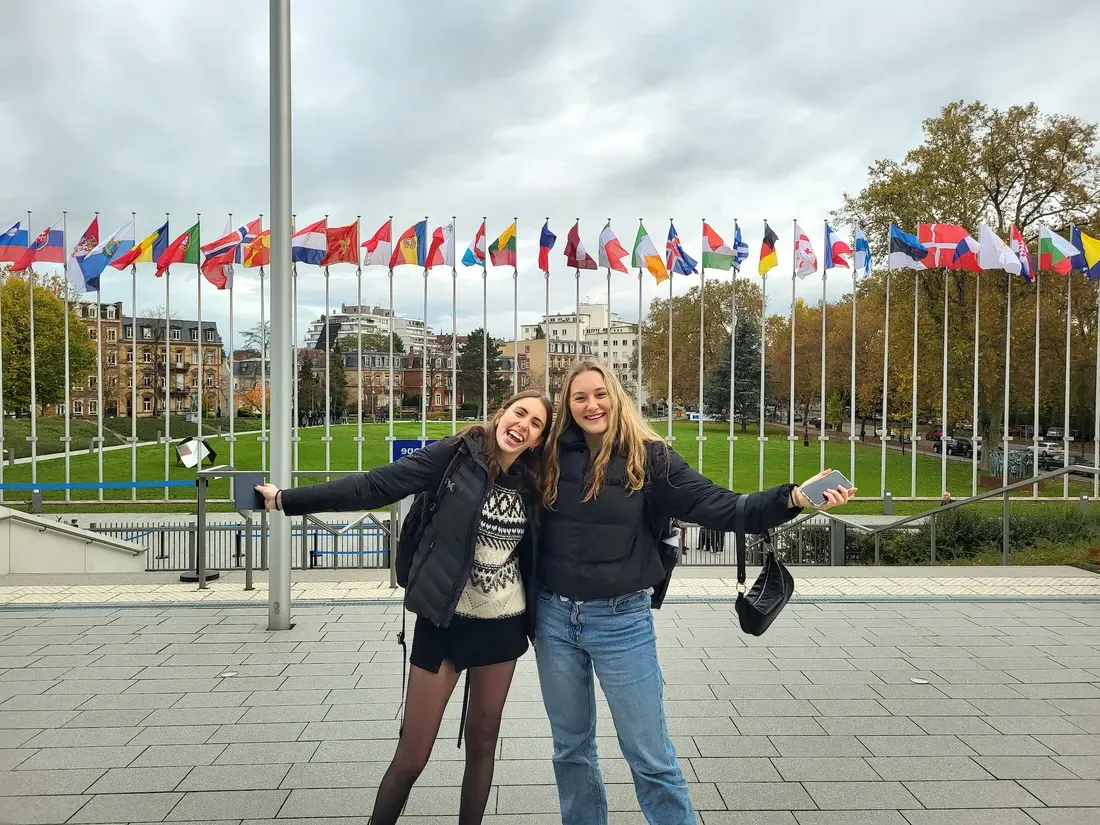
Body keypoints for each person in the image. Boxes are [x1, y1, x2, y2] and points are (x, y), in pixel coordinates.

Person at [534, 361, 854, 825]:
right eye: (579, 397)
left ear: (616, 396)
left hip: (621, 621)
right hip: (554, 619)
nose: (591, 405)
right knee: (570, 749)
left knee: (650, 756)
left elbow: (718, 505)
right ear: (567, 405)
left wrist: (792, 498)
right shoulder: (549, 455)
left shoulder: (650, 457)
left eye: (600, 394)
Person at [255, 389, 552, 825]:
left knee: (483, 742)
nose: (523, 425)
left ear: (538, 440)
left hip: (503, 625)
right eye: (519, 413)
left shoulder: (535, 480)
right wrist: (286, 500)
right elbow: (375, 486)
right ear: (501, 412)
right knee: (412, 755)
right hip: (444, 620)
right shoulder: (454, 455)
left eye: (536, 424)